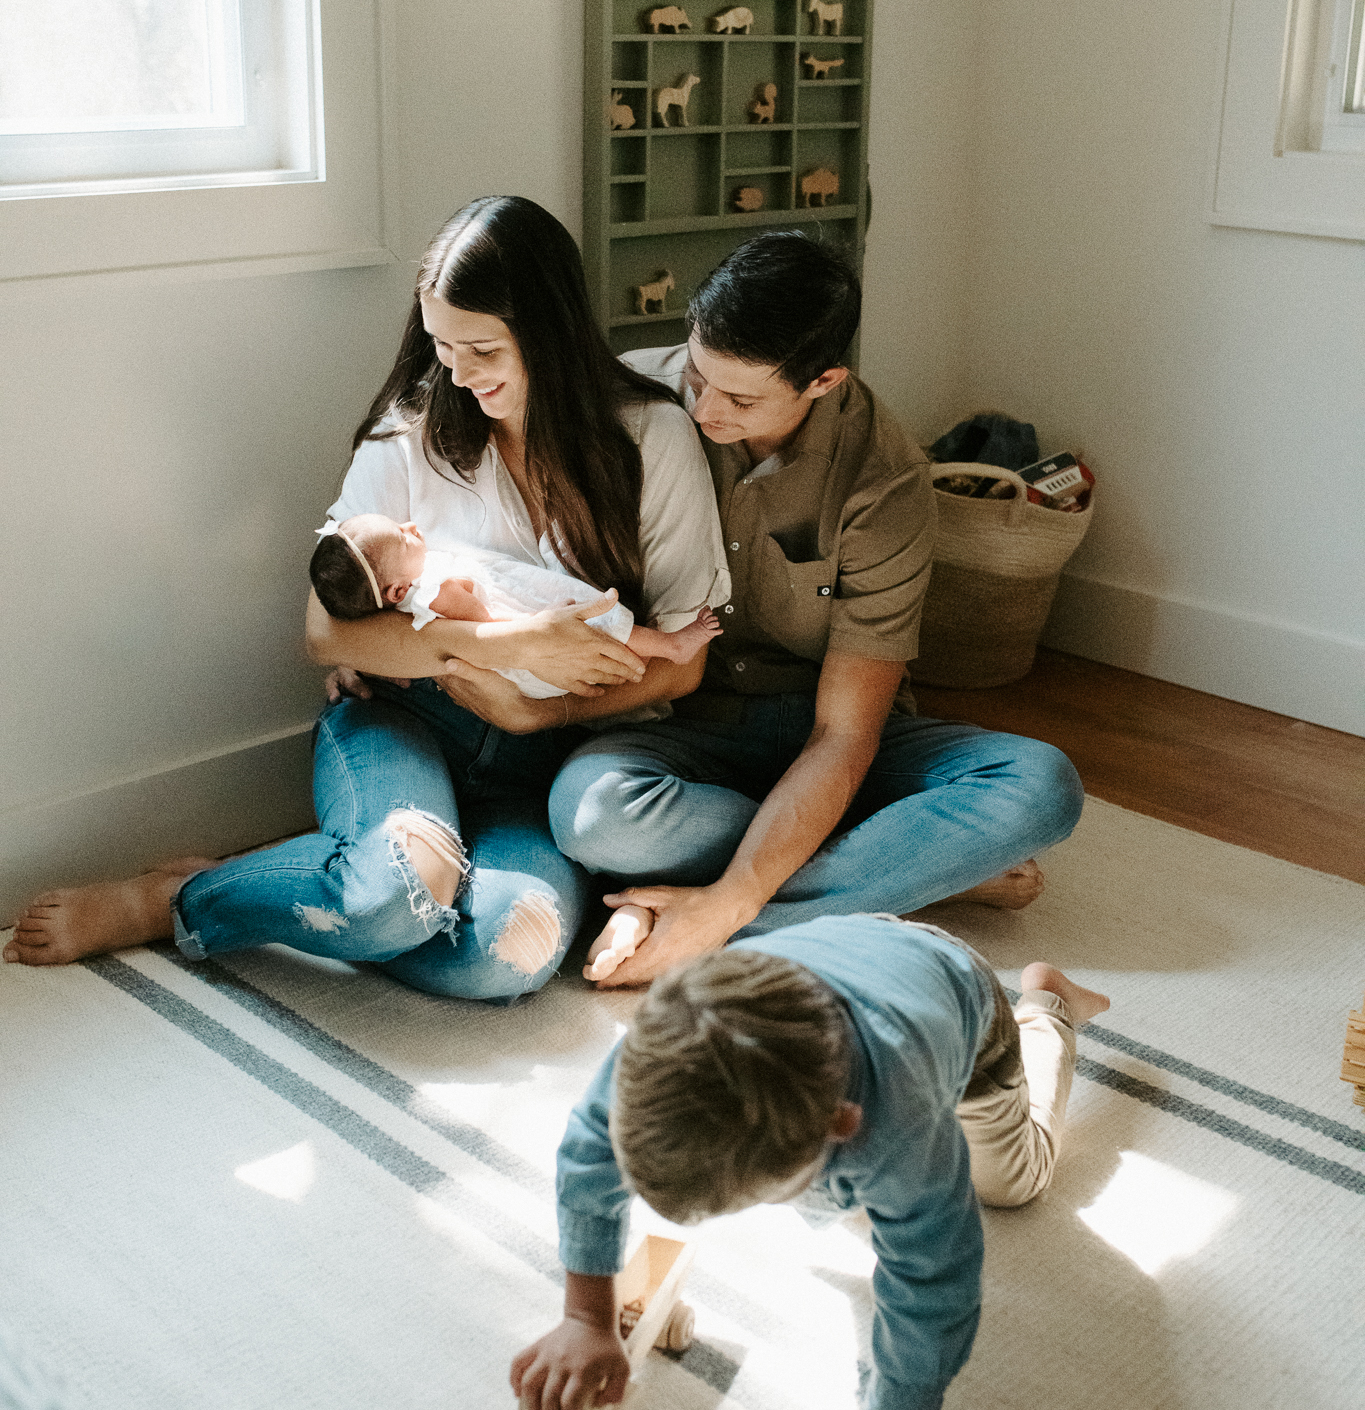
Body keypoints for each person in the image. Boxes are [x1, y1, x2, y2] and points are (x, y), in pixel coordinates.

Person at [4, 197, 730, 998]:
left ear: (549, 332)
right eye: (441, 345)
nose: (457, 372)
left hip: (553, 758)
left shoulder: (651, 439)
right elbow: (326, 631)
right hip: (405, 719)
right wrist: (499, 648)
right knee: (400, 894)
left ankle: (320, 882)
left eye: (481, 348)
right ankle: (180, 898)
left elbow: (682, 669)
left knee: (509, 954)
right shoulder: (415, 431)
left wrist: (542, 711)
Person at [547, 230, 1085, 985]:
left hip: (827, 731)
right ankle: (900, 868)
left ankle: (712, 919)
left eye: (740, 398)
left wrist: (729, 904)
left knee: (1041, 786)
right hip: (678, 729)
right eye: (698, 374)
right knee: (593, 815)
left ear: (823, 380)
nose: (704, 409)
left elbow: (843, 732)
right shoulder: (630, 400)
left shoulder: (885, 479)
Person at [511, 914, 1110, 1410]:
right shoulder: (652, 1053)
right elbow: (587, 1160)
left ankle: (1047, 1008)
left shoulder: (898, 1126)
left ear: (843, 1126)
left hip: (958, 996)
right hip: (819, 959)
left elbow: (933, 1286)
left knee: (1012, 1185)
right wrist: (584, 1315)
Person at [308, 512, 720, 694]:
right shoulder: (435, 589)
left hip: (518, 633)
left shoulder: (408, 596)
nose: (411, 525)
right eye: (402, 536)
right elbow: (488, 625)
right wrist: (539, 626)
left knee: (599, 632)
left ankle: (651, 653)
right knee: (598, 622)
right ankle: (672, 647)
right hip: (520, 625)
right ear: (396, 591)